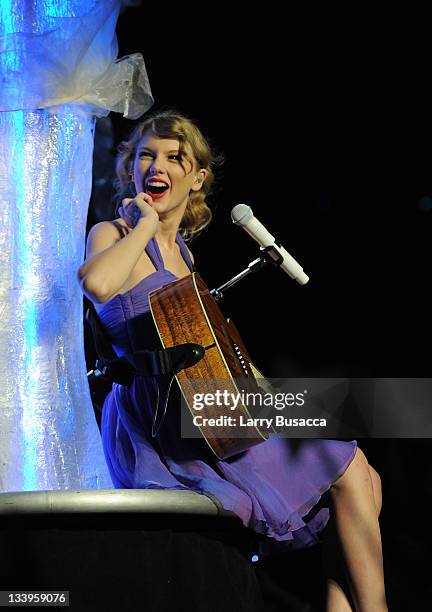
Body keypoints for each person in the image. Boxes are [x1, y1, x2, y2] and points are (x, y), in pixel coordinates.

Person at [78, 109, 388, 611]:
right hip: (162, 422)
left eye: (175, 158)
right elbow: (96, 285)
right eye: (146, 155)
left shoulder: (184, 253)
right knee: (349, 464)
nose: (158, 165)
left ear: (197, 177)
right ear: (130, 169)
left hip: (207, 409)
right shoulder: (112, 232)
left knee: (366, 483)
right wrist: (143, 227)